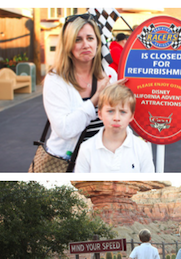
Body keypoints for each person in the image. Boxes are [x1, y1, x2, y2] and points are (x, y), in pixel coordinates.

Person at [31, 12, 119, 172]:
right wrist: (95, 100)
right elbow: (65, 129)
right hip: (65, 163)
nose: (86, 45)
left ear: (98, 42)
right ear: (67, 46)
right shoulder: (56, 79)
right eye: (78, 40)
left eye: (90, 38)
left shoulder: (110, 75)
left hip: (102, 163)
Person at [74, 84, 154, 173]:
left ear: (131, 116)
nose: (116, 118)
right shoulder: (86, 149)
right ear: (100, 114)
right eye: (110, 111)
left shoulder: (142, 148)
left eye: (123, 112)